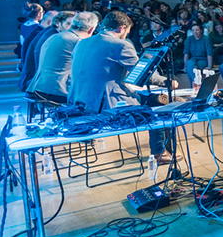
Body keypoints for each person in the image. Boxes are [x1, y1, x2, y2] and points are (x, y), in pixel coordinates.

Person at [68, 12, 175, 163]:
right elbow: (146, 75)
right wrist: (167, 81)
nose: (126, 36)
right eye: (127, 33)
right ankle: (159, 153)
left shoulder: (82, 43)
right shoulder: (120, 45)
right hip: (104, 106)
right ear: (122, 28)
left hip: (78, 102)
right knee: (158, 106)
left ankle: (161, 152)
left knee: (148, 97)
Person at [29, 12, 97, 104]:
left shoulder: (54, 36)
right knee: (99, 95)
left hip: (38, 88)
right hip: (56, 92)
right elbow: (89, 68)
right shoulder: (78, 41)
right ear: (91, 29)